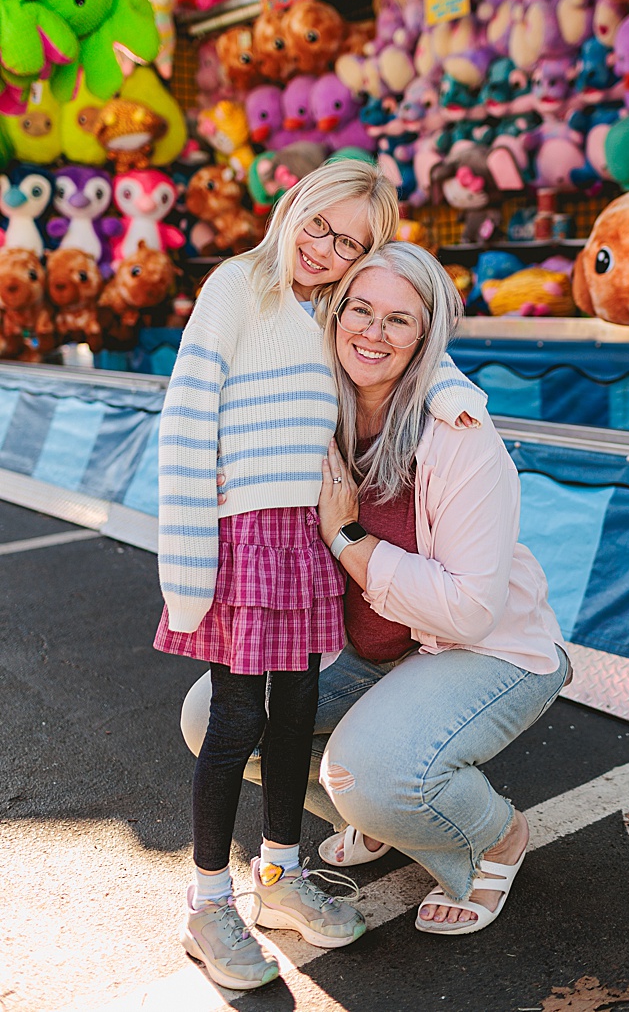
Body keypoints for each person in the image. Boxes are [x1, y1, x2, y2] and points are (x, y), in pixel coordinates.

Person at [179, 240, 569, 942]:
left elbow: (472, 609)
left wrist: (347, 537)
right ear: (334, 315)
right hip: (373, 647)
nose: (373, 332)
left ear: (426, 337)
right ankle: (383, 817)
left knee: (367, 773)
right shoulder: (314, 406)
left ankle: (492, 837)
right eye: (360, 309)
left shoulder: (459, 434)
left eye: (399, 319)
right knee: (212, 716)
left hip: (484, 647)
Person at [157, 160, 483, 990]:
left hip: (304, 537)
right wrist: (186, 552)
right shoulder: (236, 285)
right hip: (242, 538)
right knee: (235, 716)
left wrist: (455, 396)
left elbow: (414, 348)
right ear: (293, 205)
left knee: (295, 711)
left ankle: (280, 874)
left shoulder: (333, 308)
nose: (327, 249)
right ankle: (207, 901)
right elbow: (186, 415)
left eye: (351, 244)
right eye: (320, 226)